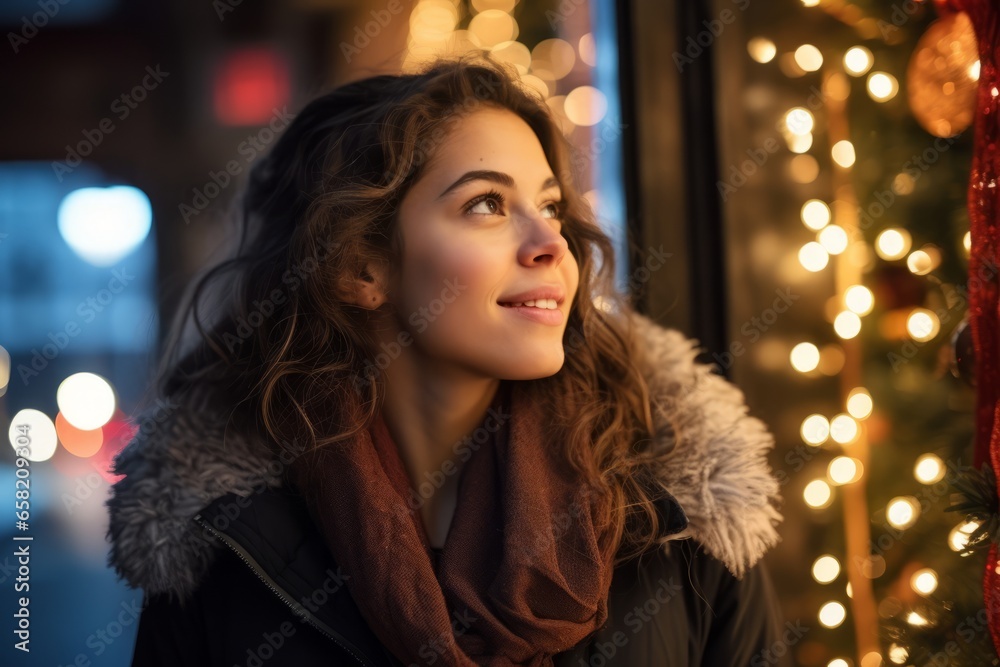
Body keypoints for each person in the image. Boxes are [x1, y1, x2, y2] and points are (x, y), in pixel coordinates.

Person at [105, 53, 789, 666]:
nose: (551, 242)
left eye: (550, 205)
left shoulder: (679, 515)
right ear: (359, 267)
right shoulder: (223, 550)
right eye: (487, 203)